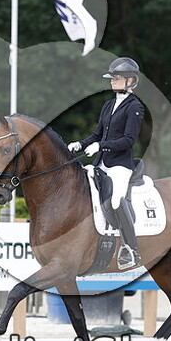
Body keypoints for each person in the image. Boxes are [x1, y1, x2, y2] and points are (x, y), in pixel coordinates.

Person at [68, 57, 144, 269]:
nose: (112, 81)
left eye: (116, 78)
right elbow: (97, 134)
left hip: (121, 165)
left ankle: (131, 249)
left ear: (130, 81)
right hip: (102, 163)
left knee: (117, 200)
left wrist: (101, 146)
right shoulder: (108, 105)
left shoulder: (135, 107)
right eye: (112, 78)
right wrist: (81, 144)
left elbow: (128, 140)